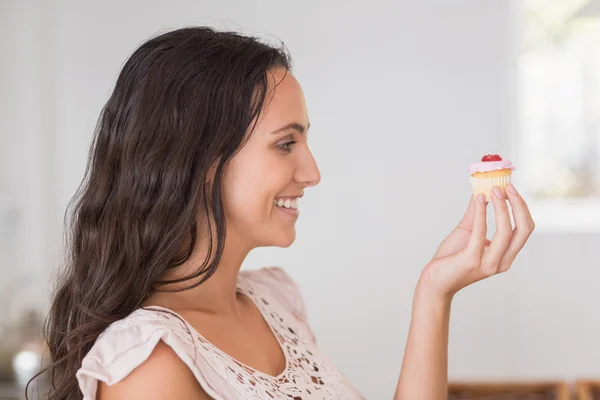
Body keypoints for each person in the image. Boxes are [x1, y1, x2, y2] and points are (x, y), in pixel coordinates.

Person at [30, 26, 535, 400]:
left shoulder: (274, 303)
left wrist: (434, 291)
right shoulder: (148, 363)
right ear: (200, 160)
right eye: (285, 144)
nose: (311, 172)